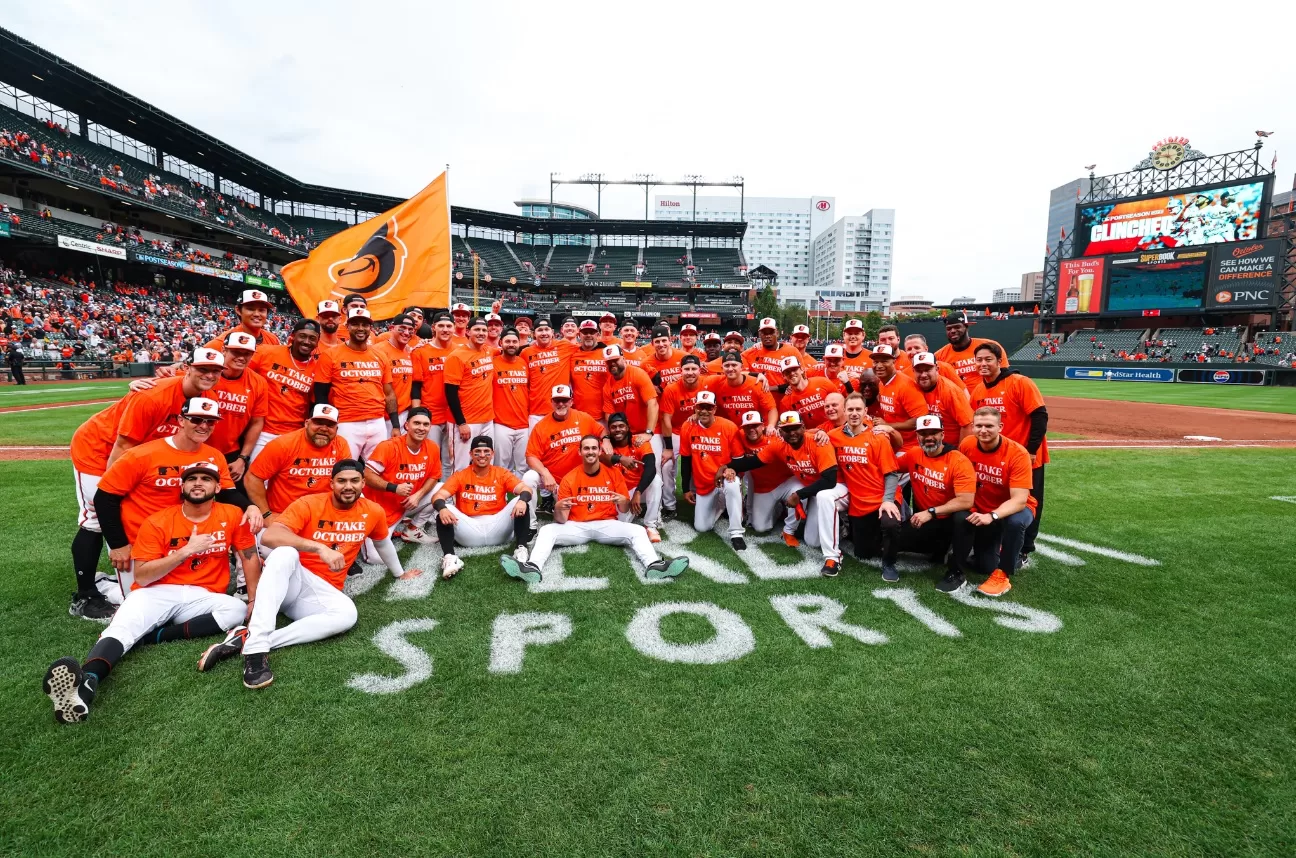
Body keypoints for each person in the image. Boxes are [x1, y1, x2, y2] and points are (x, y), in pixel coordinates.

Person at [42, 462, 258, 724]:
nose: (198, 483)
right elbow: (143, 575)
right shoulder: (159, 521)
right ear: (182, 486)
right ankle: (87, 682)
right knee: (121, 630)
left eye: (206, 479)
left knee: (234, 609)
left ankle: (151, 637)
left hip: (203, 594)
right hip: (156, 591)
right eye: (192, 479)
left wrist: (254, 599)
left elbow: (248, 556)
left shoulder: (232, 515)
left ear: (218, 486)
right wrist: (185, 551)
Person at [202, 460, 424, 690]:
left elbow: (383, 544)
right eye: (342, 481)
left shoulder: (372, 511)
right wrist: (318, 548)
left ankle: (248, 640)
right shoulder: (309, 503)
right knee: (285, 554)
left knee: (348, 615)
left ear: (363, 483)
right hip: (290, 581)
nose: (348, 486)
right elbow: (269, 537)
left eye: (354, 481)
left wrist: (400, 573)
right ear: (331, 483)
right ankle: (256, 651)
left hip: (318, 593)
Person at [67, 350, 226, 621]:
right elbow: (122, 446)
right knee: (97, 518)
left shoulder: (203, 398)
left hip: (138, 456)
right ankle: (86, 595)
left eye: (215, 371)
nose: (210, 375)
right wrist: (112, 493)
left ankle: (132, 571)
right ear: (187, 367)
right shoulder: (154, 395)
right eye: (203, 369)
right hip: (100, 449)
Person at [95, 398, 263, 596]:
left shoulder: (214, 455)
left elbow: (226, 492)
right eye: (196, 419)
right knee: (137, 600)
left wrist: (250, 507)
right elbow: (104, 498)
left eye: (210, 421)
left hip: (186, 539)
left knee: (186, 602)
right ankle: (106, 585)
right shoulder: (141, 455)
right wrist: (118, 544)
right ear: (181, 420)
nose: (204, 426)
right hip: (142, 542)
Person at [500, 436, 689, 584]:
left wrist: (624, 501)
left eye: (593, 448)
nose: (590, 452)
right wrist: (558, 508)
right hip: (577, 525)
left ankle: (654, 565)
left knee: (638, 530)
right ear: (580, 452)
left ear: (600, 451)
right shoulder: (570, 478)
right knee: (547, 530)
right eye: (586, 448)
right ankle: (532, 567)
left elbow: (623, 509)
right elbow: (561, 520)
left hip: (607, 523)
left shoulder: (613, 473)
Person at [729, 411, 843, 575]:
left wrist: (800, 495)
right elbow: (754, 462)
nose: (792, 433)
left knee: (813, 542)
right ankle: (783, 510)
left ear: (803, 427)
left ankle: (795, 529)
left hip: (823, 490)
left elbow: (829, 480)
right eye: (786, 429)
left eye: (795, 428)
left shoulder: (818, 442)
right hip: (801, 485)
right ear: (780, 431)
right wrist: (727, 467)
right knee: (761, 527)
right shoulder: (778, 445)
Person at [968, 341, 1048, 567]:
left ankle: (1024, 548)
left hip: (1027, 455)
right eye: (979, 360)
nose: (983, 364)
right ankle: (995, 541)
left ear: (999, 361)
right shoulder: (979, 390)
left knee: (1029, 502)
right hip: (997, 455)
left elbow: (1040, 415)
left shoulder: (1019, 382)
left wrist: (1031, 450)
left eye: (988, 359)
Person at [245, 403, 351, 568]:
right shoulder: (283, 444)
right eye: (318, 422)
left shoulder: (341, 445)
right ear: (306, 422)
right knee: (280, 555)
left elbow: (345, 482)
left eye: (330, 425)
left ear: (337, 429)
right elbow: (252, 478)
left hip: (322, 518)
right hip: (284, 517)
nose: (324, 428)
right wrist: (266, 515)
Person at [429, 435, 536, 579]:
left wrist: (522, 500)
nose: (482, 455)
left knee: (520, 499)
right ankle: (450, 557)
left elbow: (526, 489)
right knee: (443, 508)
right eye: (477, 451)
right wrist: (442, 508)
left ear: (492, 454)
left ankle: (521, 550)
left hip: (498, 528)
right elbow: (437, 496)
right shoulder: (461, 475)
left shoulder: (501, 473)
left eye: (486, 451)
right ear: (471, 454)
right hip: (469, 529)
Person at [890, 414, 976, 593]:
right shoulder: (914, 454)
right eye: (923, 433)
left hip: (950, 521)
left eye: (934, 433)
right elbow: (890, 468)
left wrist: (931, 511)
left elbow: (967, 500)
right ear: (917, 436)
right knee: (891, 541)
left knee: (963, 518)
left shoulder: (958, 460)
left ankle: (957, 572)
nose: (929, 437)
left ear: (942, 434)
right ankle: (940, 549)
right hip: (928, 521)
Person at [957, 408, 1037, 597]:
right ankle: (993, 549)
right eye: (979, 426)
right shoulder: (967, 444)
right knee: (984, 566)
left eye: (989, 426)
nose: (983, 430)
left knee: (1016, 522)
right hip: (983, 509)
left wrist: (991, 516)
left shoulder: (1017, 454)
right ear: (973, 427)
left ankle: (1004, 573)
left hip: (1013, 509)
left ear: (1000, 427)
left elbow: (1019, 500)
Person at [828, 392, 903, 580]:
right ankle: (874, 535)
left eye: (858, 409)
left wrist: (888, 500)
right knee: (863, 553)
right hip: (859, 504)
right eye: (850, 409)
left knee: (890, 522)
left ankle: (890, 563)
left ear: (866, 412)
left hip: (882, 496)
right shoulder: (833, 436)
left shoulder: (878, 437)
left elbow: (891, 473)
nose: (854, 413)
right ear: (844, 411)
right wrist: (818, 433)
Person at [313, 306, 398, 459]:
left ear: (370, 328)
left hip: (377, 421)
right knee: (344, 468)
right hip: (347, 422)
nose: (360, 328)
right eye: (355, 324)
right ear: (347, 326)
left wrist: (395, 425)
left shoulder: (380, 356)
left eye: (365, 325)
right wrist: (326, 423)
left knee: (379, 470)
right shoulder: (330, 355)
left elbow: (389, 393)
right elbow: (321, 394)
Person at [361, 407, 444, 546]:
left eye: (426, 424)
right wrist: (394, 488)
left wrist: (418, 495)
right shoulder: (389, 446)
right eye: (416, 423)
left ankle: (412, 529)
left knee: (442, 489)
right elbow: (367, 476)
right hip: (382, 510)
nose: (421, 428)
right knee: (376, 558)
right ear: (406, 425)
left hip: (408, 502)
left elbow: (435, 476)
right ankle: (389, 527)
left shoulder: (432, 447)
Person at [678, 391, 747, 549]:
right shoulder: (688, 426)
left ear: (714, 409)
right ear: (695, 408)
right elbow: (686, 459)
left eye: (708, 407)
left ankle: (736, 533)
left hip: (724, 478)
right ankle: (722, 504)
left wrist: (726, 469)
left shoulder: (728, 427)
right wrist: (686, 489)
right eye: (700, 407)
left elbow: (739, 459)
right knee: (702, 527)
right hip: (704, 483)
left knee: (732, 483)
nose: (704, 411)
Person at [247, 319, 320, 461]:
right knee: (257, 476)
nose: (306, 341)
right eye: (302, 336)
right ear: (292, 336)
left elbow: (313, 402)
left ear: (317, 342)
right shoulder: (266, 352)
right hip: (262, 431)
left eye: (312, 338)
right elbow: (243, 377)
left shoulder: (317, 368)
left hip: (294, 433)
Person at [525, 384, 603, 514]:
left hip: (578, 480)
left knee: (576, 514)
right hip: (553, 482)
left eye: (565, 400)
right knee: (529, 477)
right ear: (551, 402)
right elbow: (531, 456)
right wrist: (545, 473)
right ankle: (529, 525)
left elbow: (601, 430)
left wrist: (605, 439)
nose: (560, 404)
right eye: (557, 400)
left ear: (571, 401)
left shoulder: (583, 418)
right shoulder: (541, 426)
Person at [206, 332, 267, 484]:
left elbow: (257, 422)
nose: (241, 357)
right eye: (236, 352)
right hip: (195, 447)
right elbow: (176, 381)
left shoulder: (258, 382)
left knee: (241, 503)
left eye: (247, 353)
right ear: (224, 350)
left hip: (230, 453)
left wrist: (242, 458)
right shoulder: (205, 373)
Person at [443, 317, 495, 470]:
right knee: (460, 467)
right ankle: (455, 495)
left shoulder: (488, 350)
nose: (481, 333)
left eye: (484, 330)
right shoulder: (456, 356)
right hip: (466, 421)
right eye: (477, 330)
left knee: (486, 464)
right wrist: (461, 423)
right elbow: (450, 393)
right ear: (467, 332)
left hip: (487, 419)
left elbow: (510, 349)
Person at [411, 312, 457, 476]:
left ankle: (446, 498)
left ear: (454, 328)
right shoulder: (420, 351)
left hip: (453, 415)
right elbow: (416, 385)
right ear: (433, 327)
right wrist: (416, 414)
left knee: (450, 460)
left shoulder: (460, 350)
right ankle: (426, 499)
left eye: (449, 326)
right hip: (431, 414)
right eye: (441, 326)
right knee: (428, 458)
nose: (445, 329)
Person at [603, 412, 662, 541]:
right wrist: (620, 458)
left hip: (640, 489)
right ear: (609, 430)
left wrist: (638, 491)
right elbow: (600, 458)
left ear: (628, 427)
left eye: (621, 426)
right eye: (613, 427)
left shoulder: (638, 441)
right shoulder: (607, 446)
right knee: (620, 527)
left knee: (656, 480)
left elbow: (651, 467)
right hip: (622, 492)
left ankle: (651, 525)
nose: (618, 429)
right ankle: (632, 512)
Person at [869, 344, 928, 446]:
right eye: (876, 362)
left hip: (909, 445)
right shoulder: (882, 382)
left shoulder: (906, 386)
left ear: (894, 362)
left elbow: (920, 420)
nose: (879, 365)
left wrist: (888, 425)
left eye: (884, 361)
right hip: (893, 440)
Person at [490, 328, 531, 475]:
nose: (511, 344)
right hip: (501, 424)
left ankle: (522, 498)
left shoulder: (524, 363)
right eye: (507, 341)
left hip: (523, 423)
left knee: (523, 466)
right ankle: (501, 498)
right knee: (501, 466)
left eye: (514, 341)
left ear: (519, 343)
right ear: (501, 343)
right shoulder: (493, 363)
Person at [934, 311, 1007, 391]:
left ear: (966, 327)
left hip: (988, 397)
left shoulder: (990, 346)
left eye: (957, 327)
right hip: (958, 400)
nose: (952, 331)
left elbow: (1004, 375)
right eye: (949, 328)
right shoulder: (939, 356)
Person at [521, 318, 573, 430]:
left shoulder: (565, 346)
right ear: (533, 334)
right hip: (536, 412)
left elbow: (588, 349)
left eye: (546, 330)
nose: (544, 333)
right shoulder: (526, 353)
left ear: (552, 332)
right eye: (540, 330)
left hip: (560, 409)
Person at [911, 352, 973, 445]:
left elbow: (968, 424)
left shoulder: (950, 391)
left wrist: (960, 453)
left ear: (937, 369)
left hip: (950, 447)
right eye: (919, 371)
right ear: (913, 371)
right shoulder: (913, 387)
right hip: (926, 445)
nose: (923, 375)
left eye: (928, 370)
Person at [707, 349, 777, 431]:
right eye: (727, 366)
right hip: (731, 431)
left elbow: (771, 409)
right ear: (722, 368)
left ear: (742, 367)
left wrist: (771, 425)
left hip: (756, 430)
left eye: (734, 365)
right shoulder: (716, 383)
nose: (730, 368)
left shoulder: (756, 384)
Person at [372, 313, 422, 426]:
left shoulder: (410, 352)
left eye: (410, 330)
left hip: (404, 413)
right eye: (402, 328)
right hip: (382, 416)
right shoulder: (377, 351)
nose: (406, 332)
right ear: (391, 328)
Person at [205, 289, 280, 349]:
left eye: (261, 310)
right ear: (238, 310)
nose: (257, 314)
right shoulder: (222, 342)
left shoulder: (273, 340)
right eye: (250, 309)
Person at [779, 357, 839, 428]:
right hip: (810, 436)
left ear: (801, 370)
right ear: (783, 376)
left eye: (794, 369)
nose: (792, 373)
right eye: (787, 372)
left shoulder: (823, 382)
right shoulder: (785, 402)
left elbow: (841, 406)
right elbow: (791, 429)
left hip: (834, 431)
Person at [743, 317, 802, 387]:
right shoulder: (749, 353)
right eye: (764, 333)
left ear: (777, 333)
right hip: (758, 395)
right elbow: (742, 375)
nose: (768, 336)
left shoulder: (792, 352)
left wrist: (772, 388)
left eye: (771, 332)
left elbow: (802, 377)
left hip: (784, 397)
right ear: (759, 334)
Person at [570, 320, 609, 418]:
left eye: (591, 332)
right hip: (578, 414)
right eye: (585, 332)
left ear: (597, 335)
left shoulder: (607, 353)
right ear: (579, 334)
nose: (588, 335)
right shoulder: (572, 353)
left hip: (604, 414)